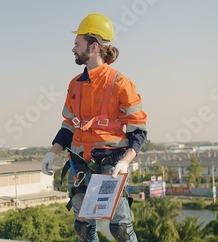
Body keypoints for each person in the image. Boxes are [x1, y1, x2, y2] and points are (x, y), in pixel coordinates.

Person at [41, 13, 147, 242]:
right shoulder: (75, 85)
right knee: (83, 228)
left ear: (94, 46)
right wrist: (53, 152)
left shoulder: (121, 83)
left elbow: (138, 131)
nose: (73, 49)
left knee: (120, 229)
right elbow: (69, 125)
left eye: (77, 44)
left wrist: (125, 161)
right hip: (79, 163)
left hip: (110, 164)